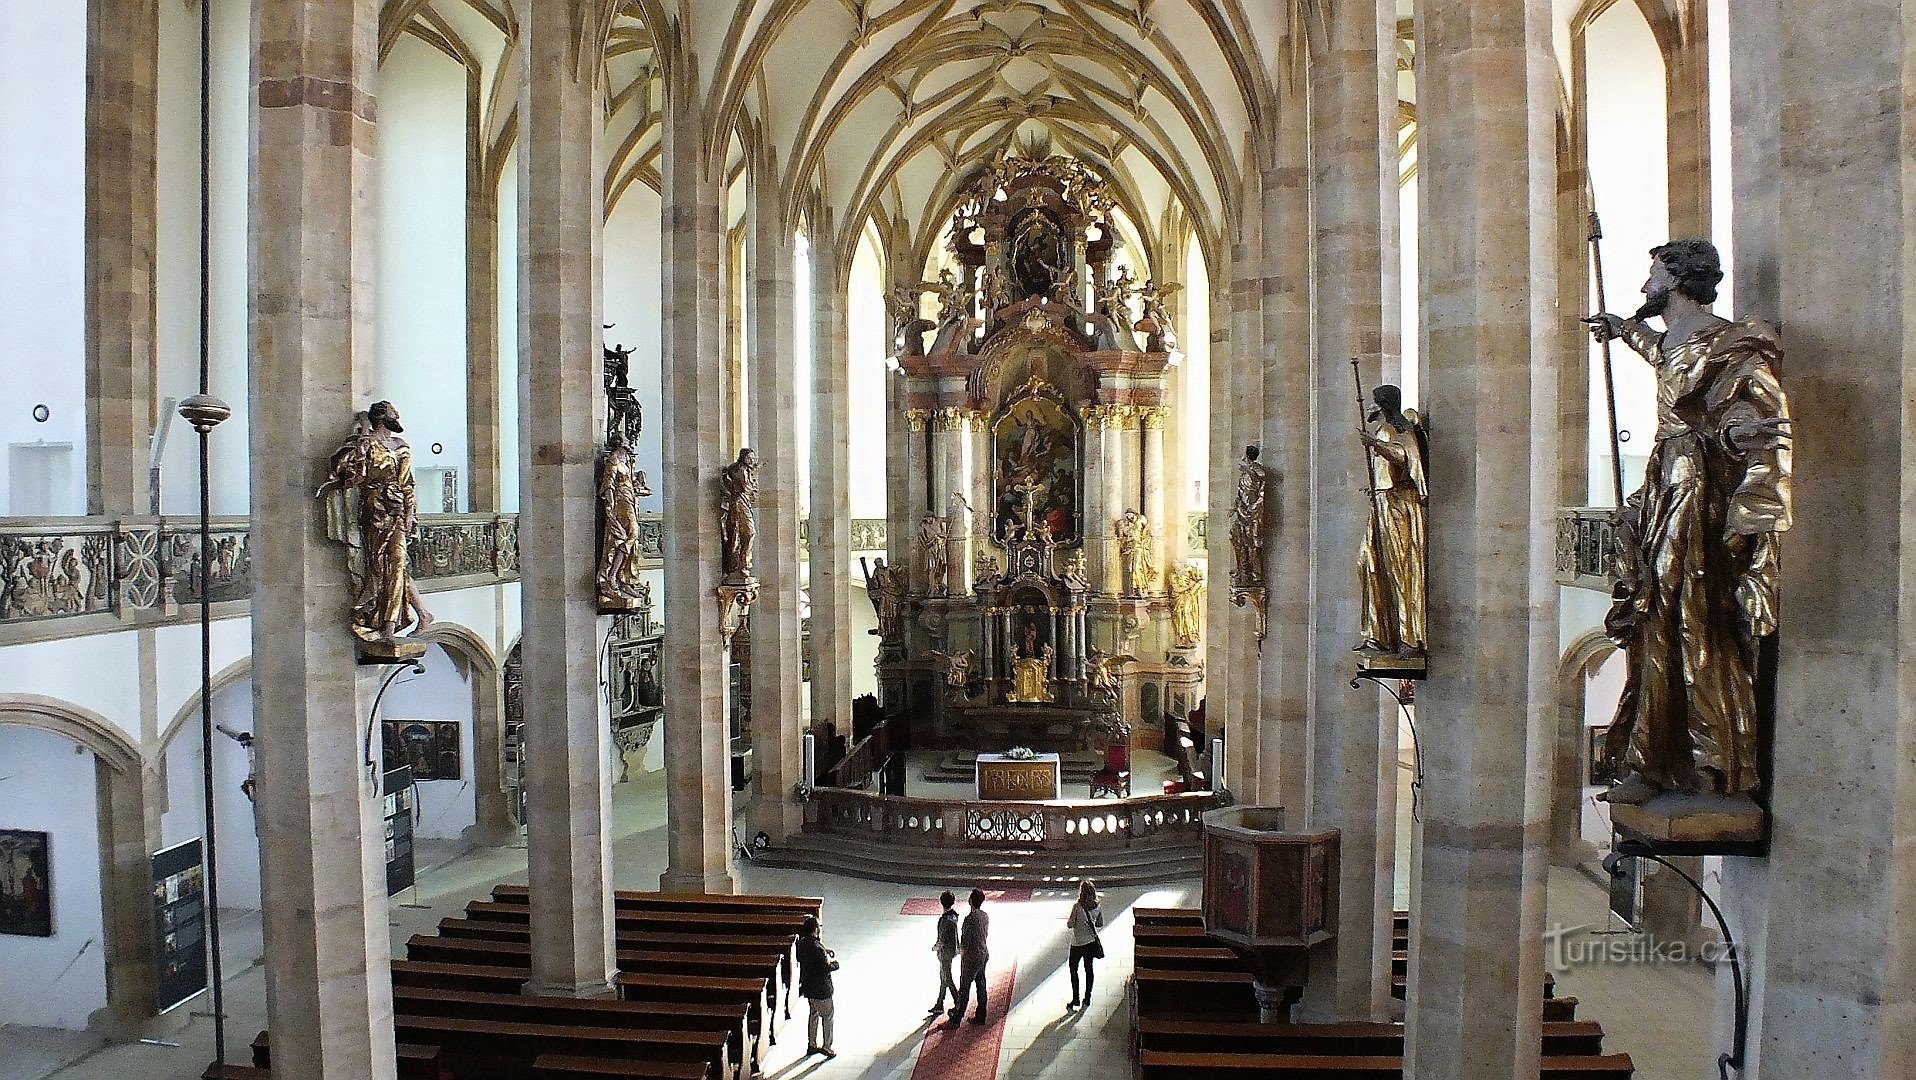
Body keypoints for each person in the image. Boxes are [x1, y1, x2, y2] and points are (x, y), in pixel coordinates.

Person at [1584, 239, 1792, 804]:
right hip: (1663, 482)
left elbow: (1754, 412)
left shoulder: (1728, 341)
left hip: (1695, 486)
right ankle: (1652, 759)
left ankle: (1707, 759)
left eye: (1653, 272)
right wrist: (1620, 328)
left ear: (1676, 278)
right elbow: (1658, 350)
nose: (1645, 282)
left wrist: (1733, 435)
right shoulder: (1674, 336)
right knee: (1654, 613)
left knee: (1680, 612)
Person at [944, 888, 991, 1027]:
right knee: (981, 984)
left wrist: (962, 956)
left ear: (970, 901)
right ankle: (981, 1015)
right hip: (983, 953)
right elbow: (985, 934)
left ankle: (956, 1019)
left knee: (964, 988)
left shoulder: (969, 920)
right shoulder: (985, 916)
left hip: (972, 958)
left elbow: (965, 942)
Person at [796, 914, 838, 1058]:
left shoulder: (802, 943)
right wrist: (835, 965)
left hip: (809, 987)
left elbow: (810, 952)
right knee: (828, 1016)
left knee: (813, 1015)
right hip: (821, 990)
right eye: (819, 927)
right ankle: (827, 1047)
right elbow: (824, 967)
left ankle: (812, 1044)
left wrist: (825, 950)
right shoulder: (816, 948)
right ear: (815, 929)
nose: (820, 929)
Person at [1065, 879, 1105, 1009]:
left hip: (1077, 944)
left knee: (1073, 970)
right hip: (1090, 943)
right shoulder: (1097, 905)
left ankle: (1075, 998)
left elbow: (1070, 924)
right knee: (1089, 969)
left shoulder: (1077, 907)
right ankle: (1087, 998)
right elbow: (1100, 924)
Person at [927, 890, 961, 1017]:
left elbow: (941, 940)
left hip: (945, 954)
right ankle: (939, 1003)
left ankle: (958, 1001)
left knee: (947, 978)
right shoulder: (953, 917)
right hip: (952, 951)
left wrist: (934, 948)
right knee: (943, 977)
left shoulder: (944, 921)